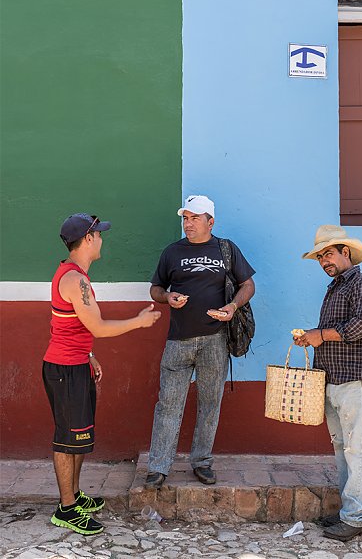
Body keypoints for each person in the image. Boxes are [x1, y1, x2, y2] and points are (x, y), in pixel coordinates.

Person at [43, 213, 161, 535]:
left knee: (79, 438)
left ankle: (74, 495)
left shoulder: (75, 275)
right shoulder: (75, 280)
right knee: (68, 441)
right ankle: (66, 509)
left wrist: (88, 354)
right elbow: (96, 325)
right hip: (65, 370)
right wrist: (137, 322)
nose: (103, 239)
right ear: (88, 239)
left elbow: (66, 325)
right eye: (99, 234)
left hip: (75, 363)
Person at [145, 195, 255, 488]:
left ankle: (202, 462)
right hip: (178, 341)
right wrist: (167, 297)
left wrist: (232, 307)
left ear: (210, 222)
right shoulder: (172, 252)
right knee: (168, 404)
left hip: (214, 340)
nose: (188, 224)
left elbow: (248, 284)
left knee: (210, 404)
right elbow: (155, 288)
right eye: (185, 218)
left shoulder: (226, 249)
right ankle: (158, 467)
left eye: (195, 218)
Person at [294, 224, 362, 542]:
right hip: (334, 381)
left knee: (356, 450)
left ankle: (357, 518)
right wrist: (313, 338)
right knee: (344, 449)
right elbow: (336, 332)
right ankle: (350, 512)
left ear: (346, 252)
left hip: (356, 380)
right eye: (320, 257)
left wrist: (320, 335)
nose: (323, 261)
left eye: (328, 254)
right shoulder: (334, 288)